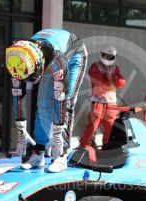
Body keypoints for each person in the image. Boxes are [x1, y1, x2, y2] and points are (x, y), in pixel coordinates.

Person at [6, 28, 87, 172]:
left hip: (74, 55)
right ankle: (38, 153)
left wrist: (56, 137)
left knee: (66, 102)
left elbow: (59, 101)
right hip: (41, 57)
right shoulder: (16, 63)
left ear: (38, 65)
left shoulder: (57, 61)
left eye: (32, 77)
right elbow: (18, 96)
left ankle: (61, 155)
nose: (30, 82)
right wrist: (21, 129)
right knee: (42, 105)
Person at [79, 45, 125, 148]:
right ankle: (83, 147)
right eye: (106, 55)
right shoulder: (95, 67)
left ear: (114, 57)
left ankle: (107, 149)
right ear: (101, 55)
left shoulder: (115, 68)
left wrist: (113, 77)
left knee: (110, 128)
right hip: (97, 102)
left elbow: (121, 83)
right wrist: (111, 77)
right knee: (91, 128)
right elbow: (102, 83)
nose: (108, 58)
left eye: (110, 56)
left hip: (111, 104)